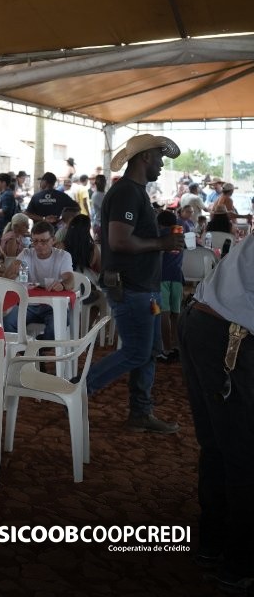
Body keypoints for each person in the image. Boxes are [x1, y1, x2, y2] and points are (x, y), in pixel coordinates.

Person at [87, 133, 185, 434]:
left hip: (143, 288)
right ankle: (81, 387)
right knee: (138, 352)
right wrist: (161, 243)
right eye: (159, 158)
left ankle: (141, 412)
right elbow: (119, 241)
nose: (161, 164)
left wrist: (160, 242)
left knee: (149, 351)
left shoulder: (134, 192)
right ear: (145, 157)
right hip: (131, 287)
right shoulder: (127, 193)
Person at [177, 234, 254, 591]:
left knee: (220, 445)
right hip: (228, 336)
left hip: (205, 321)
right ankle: (239, 563)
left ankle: (213, 542)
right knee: (242, 451)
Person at [2, 221, 74, 340]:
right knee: (7, 322)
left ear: (53, 240)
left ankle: (39, 347)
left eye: (44, 241)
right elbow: (6, 277)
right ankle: (22, 348)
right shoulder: (27, 253)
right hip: (28, 304)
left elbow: (70, 280)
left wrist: (62, 285)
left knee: (56, 326)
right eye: (35, 241)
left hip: (53, 306)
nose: (39, 245)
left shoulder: (63, 256)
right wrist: (13, 270)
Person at [156, 210, 184, 362]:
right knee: (176, 314)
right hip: (177, 277)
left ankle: (166, 349)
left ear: (160, 224)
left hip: (162, 277)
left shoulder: (159, 235)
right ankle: (178, 346)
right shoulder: (180, 234)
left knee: (164, 313)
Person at [90, 174, 108, 239]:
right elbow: (107, 209)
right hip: (100, 224)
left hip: (101, 224)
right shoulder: (97, 195)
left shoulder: (103, 194)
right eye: (100, 182)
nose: (102, 184)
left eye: (103, 182)